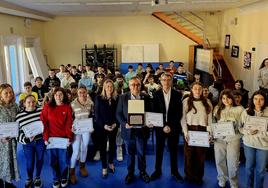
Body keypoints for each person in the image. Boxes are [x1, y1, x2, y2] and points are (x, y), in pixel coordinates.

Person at [116, 77, 151, 184]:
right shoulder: (123, 97)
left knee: (141, 153)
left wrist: (149, 121)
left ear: (141, 85)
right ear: (129, 86)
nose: (135, 87)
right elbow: (118, 113)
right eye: (133, 85)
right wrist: (124, 123)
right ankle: (130, 173)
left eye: (137, 84)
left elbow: (150, 112)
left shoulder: (146, 97)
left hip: (142, 131)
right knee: (130, 154)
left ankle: (143, 172)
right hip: (128, 131)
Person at [150, 73, 183, 182]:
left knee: (173, 150)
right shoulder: (156, 94)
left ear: (171, 81)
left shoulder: (178, 94)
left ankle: (175, 171)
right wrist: (163, 125)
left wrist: (170, 126)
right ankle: (157, 170)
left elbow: (179, 113)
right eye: (164, 80)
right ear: (160, 81)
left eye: (168, 80)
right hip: (160, 127)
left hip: (173, 127)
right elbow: (154, 111)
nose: (166, 82)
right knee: (159, 150)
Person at [40, 87, 73, 188]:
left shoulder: (67, 107)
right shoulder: (47, 107)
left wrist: (69, 138)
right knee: (52, 161)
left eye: (60, 95)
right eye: (56, 95)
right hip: (51, 140)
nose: (58, 97)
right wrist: (45, 138)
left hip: (63, 139)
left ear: (64, 96)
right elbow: (43, 123)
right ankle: (55, 178)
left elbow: (69, 124)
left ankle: (63, 177)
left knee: (63, 160)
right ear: (53, 96)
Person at [181, 82, 212, 185]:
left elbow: (210, 120)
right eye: (195, 88)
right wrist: (185, 132)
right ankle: (189, 175)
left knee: (200, 155)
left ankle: (198, 176)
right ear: (191, 90)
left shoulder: (207, 102)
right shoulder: (186, 101)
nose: (198, 91)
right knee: (188, 155)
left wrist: (209, 133)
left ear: (202, 90)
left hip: (202, 130)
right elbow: (183, 119)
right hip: (190, 130)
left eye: (200, 89)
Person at [213, 89, 244, 188]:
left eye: (228, 98)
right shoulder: (217, 108)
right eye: (223, 98)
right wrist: (212, 134)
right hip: (219, 139)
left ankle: (233, 182)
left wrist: (237, 128)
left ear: (232, 98)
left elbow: (243, 125)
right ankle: (222, 178)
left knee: (233, 162)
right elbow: (214, 123)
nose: (226, 100)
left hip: (233, 139)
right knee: (219, 160)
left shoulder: (240, 109)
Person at [240, 90, 268, 188]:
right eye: (256, 99)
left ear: (265, 100)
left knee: (261, 170)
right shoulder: (246, 112)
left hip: (264, 145)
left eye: (261, 99)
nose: (258, 102)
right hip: (249, 144)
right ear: (252, 100)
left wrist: (265, 132)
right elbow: (240, 128)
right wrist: (248, 132)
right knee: (249, 168)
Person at [16, 95, 45, 188]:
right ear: (24, 103)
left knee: (40, 160)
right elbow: (17, 133)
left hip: (40, 141)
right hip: (28, 144)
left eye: (33, 102)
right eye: (28, 102)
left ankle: (37, 177)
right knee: (30, 162)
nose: (31, 104)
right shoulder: (19, 116)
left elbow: (46, 124)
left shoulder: (41, 111)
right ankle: (29, 178)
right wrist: (26, 139)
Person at [69, 86, 94, 184]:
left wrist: (92, 126)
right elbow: (70, 118)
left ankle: (82, 166)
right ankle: (71, 172)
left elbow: (92, 115)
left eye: (84, 92)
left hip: (87, 129)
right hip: (76, 129)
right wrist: (71, 127)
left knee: (85, 147)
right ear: (77, 93)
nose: (82, 94)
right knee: (75, 151)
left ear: (86, 92)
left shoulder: (90, 103)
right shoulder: (73, 104)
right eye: (80, 92)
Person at [94, 79, 118, 178]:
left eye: (111, 86)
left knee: (112, 146)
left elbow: (118, 113)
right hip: (102, 127)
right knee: (103, 147)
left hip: (113, 126)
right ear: (104, 87)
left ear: (113, 88)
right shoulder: (98, 98)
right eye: (107, 86)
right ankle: (104, 166)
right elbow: (97, 115)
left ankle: (111, 162)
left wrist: (116, 124)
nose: (109, 88)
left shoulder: (117, 98)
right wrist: (103, 125)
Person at [0, 84, 20, 188]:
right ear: (0, 95)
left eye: (10, 92)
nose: (9, 94)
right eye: (6, 93)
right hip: (1, 143)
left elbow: (20, 121)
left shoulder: (15, 106)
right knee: (1, 163)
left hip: (12, 141)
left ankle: (8, 183)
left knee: (10, 162)